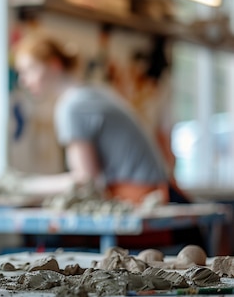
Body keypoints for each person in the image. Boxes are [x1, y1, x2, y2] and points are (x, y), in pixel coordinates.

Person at [13, 34, 182, 205]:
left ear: (54, 65)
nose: (23, 80)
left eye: (29, 70)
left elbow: (86, 181)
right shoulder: (92, 93)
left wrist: (24, 185)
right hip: (157, 191)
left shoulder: (72, 105)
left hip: (144, 196)